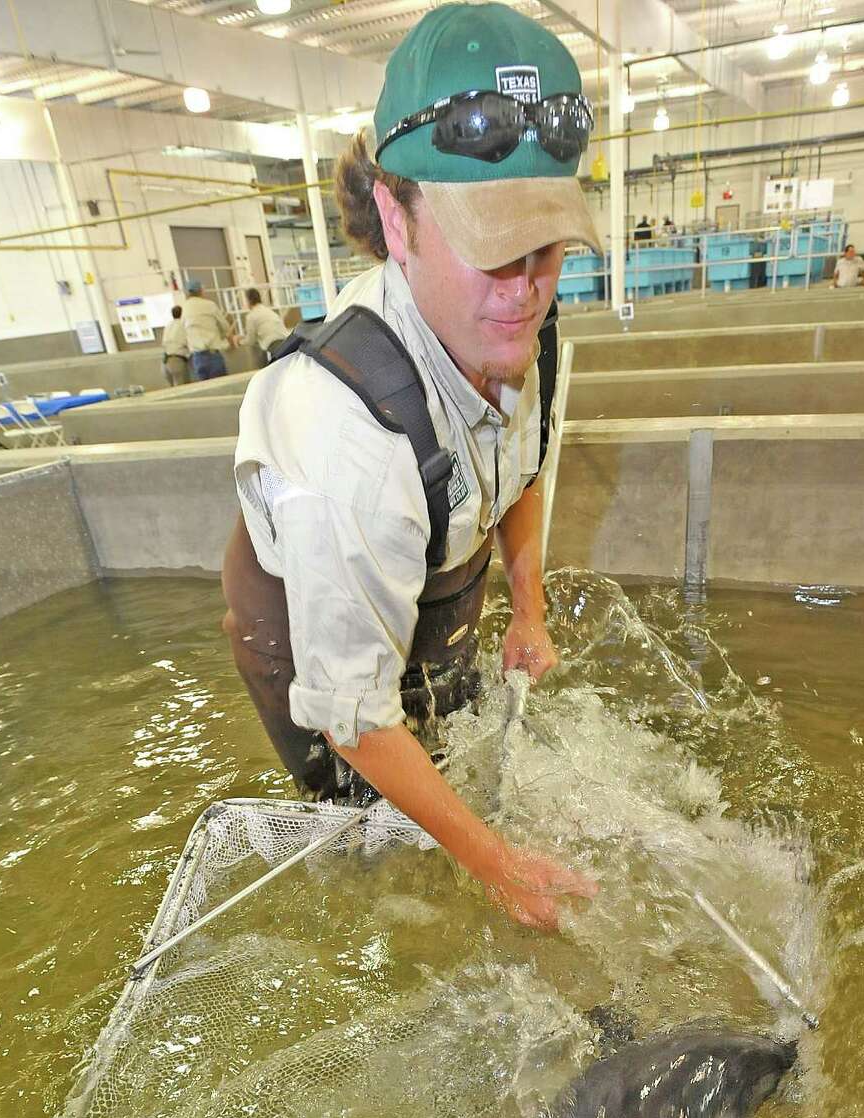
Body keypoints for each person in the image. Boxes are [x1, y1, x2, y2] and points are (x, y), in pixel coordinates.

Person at [223, 2, 602, 931]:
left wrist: (529, 603)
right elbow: (352, 713)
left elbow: (522, 464)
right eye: (490, 246)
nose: (524, 287)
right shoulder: (344, 442)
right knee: (369, 831)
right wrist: (497, 865)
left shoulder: (530, 335)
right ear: (399, 220)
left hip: (438, 552)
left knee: (457, 745)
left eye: (546, 245)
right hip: (306, 597)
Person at [182, 278, 234, 380]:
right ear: (201, 291)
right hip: (213, 355)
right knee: (222, 387)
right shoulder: (210, 305)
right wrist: (227, 338)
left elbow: (184, 330)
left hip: (197, 358)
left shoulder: (185, 308)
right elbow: (225, 326)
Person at [243, 288, 289, 366]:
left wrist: (239, 341)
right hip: (286, 341)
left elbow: (250, 340)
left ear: (249, 301)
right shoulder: (268, 310)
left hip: (273, 345)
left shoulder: (251, 316)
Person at [161, 304, 190, 386]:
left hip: (166, 361)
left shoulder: (168, 325)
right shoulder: (184, 324)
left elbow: (164, 343)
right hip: (178, 359)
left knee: (173, 387)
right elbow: (186, 341)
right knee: (181, 386)